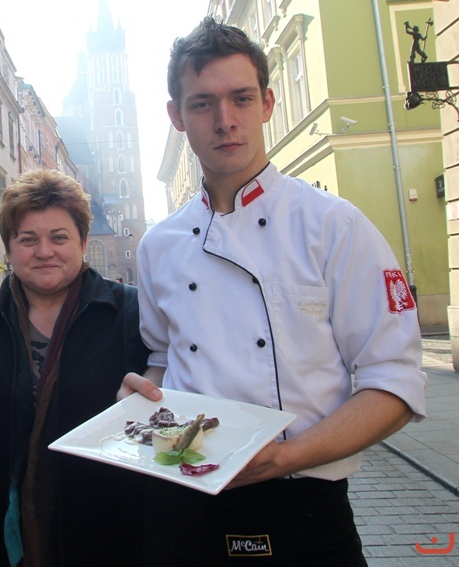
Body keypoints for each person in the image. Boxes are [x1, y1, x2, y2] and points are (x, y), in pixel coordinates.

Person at [120, 17, 427, 565]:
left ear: (266, 103)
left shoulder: (334, 225)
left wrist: (285, 456)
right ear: (177, 116)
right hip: (183, 502)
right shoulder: (159, 245)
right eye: (202, 104)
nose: (225, 121)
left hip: (303, 506)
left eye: (241, 98)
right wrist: (146, 397)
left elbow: (395, 382)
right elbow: (165, 360)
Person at [0, 168, 150, 567]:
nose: (44, 251)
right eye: (28, 239)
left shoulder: (131, 313)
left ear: (83, 242)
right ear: (9, 247)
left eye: (59, 238)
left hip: (105, 529)